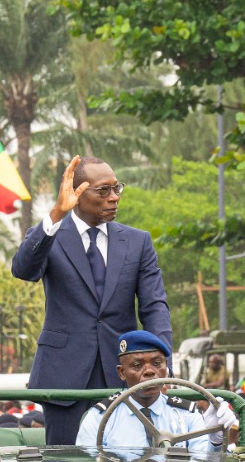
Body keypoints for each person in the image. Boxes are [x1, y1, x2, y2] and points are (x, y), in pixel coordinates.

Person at [10, 154, 172, 445]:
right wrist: (56, 214)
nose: (114, 198)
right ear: (77, 194)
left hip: (124, 372)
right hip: (64, 374)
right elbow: (23, 270)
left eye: (116, 188)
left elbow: (154, 306)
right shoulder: (50, 234)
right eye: (103, 190)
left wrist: (161, 362)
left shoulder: (138, 242)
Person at [77, 331, 230, 457]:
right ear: (122, 372)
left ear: (166, 368)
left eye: (157, 364)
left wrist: (215, 442)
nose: (149, 371)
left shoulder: (186, 414)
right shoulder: (100, 418)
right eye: (137, 365)